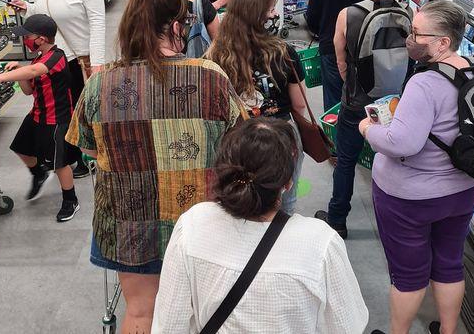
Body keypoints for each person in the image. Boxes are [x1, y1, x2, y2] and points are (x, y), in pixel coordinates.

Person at [66, 0, 239, 334]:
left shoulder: (100, 84)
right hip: (199, 219)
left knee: (141, 311)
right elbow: (238, 142)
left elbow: (86, 148)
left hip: (127, 221)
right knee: (201, 311)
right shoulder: (211, 77)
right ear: (176, 27)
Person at [152, 117, 368, 334]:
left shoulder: (192, 226)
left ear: (223, 171)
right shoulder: (320, 243)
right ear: (287, 182)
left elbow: (169, 324)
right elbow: (347, 325)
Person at [361, 2, 474, 334]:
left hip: (411, 199)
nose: (410, 38)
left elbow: (402, 143)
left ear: (443, 42)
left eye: (417, 33)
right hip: (464, 190)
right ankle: (447, 330)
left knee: (408, 273)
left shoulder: (424, 83)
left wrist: (368, 130)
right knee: (448, 262)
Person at [316, 0, 411, 239]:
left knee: (345, 160)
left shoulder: (349, 14)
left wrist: (351, 84)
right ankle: (398, 223)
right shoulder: (409, 13)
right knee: (399, 161)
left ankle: (338, 219)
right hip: (397, 104)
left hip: (358, 101)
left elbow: (340, 56)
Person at [10, 0, 105, 179]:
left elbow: (98, 22)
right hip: (48, 59)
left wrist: (97, 63)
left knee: (76, 112)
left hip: (76, 60)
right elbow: (44, 12)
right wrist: (28, 8)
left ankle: (80, 158)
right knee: (56, 112)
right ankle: (64, 158)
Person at [208, 0, 306, 213]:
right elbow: (299, 103)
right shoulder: (284, 52)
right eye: (270, 10)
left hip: (236, 138)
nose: (275, 15)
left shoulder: (216, 54)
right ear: (256, 16)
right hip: (281, 136)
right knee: (284, 202)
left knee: (239, 198)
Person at [0, 15, 78, 221]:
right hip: (36, 114)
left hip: (56, 118)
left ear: (41, 39)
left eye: (28, 36)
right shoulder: (37, 59)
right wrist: (19, 71)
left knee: (59, 163)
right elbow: (27, 90)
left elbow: (35, 70)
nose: (24, 40)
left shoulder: (57, 56)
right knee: (21, 148)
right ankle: (38, 173)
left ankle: (70, 200)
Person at [306, 0, 372, 112]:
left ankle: (332, 138)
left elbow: (312, 18)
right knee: (366, 104)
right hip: (365, 50)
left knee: (334, 105)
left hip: (331, 47)